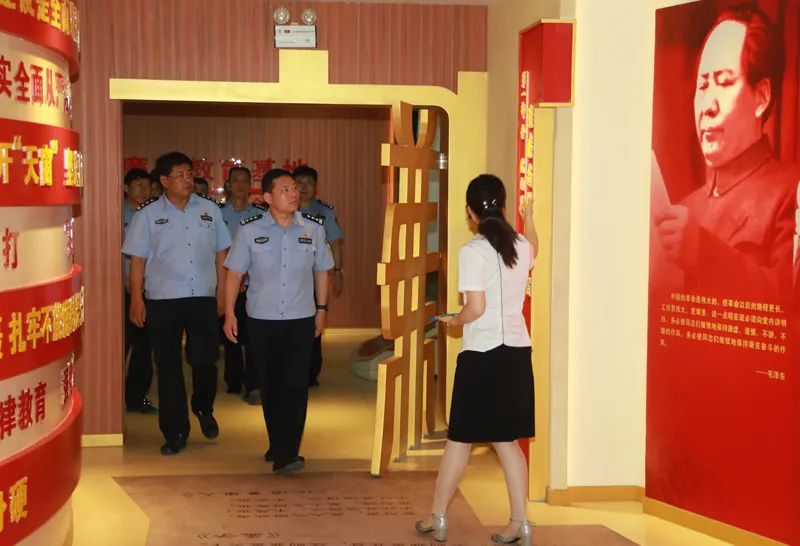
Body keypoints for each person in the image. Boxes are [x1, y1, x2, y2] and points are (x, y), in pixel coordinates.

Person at [415, 174, 536, 545]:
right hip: (516, 353)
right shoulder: (521, 246)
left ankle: (438, 517)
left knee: (459, 439)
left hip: (482, 355)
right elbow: (534, 245)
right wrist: (530, 215)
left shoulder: (472, 251)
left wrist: (455, 319)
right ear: (502, 205)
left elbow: (476, 308)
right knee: (507, 441)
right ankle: (521, 522)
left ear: (470, 212)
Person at [654, 5, 797, 300]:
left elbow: (788, 306)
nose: (707, 106)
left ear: (762, 97)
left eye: (724, 82)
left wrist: (704, 252)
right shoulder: (684, 210)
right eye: (703, 85)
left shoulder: (791, 192)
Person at [223, 169, 333, 473]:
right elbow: (234, 274)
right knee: (270, 386)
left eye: (294, 188)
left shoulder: (313, 229)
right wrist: (229, 312)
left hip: (300, 319)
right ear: (268, 197)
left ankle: (288, 452)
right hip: (262, 320)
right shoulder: (248, 231)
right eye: (285, 189)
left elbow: (322, 271)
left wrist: (322, 310)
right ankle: (278, 444)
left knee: (296, 385)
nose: (294, 193)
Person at [123, 151, 231, 456]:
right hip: (163, 300)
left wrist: (223, 293)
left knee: (205, 361)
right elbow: (137, 259)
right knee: (168, 366)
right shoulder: (147, 215)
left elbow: (222, 252)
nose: (187, 180)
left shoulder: (209, 210)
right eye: (180, 175)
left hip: (202, 298)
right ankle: (176, 432)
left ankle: (203, 406)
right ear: (164, 180)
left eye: (189, 174)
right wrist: (136, 299)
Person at [294, 165, 344, 386]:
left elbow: (335, 243)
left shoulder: (325, 212)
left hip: (316, 278)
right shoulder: (284, 209)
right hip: (291, 277)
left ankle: (311, 373)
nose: (304, 187)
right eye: (300, 183)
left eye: (309, 183)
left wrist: (338, 271)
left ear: (316, 186)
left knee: (314, 325)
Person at [219, 166, 263, 404]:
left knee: (254, 336)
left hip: (253, 286)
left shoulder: (260, 215)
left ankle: (254, 384)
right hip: (226, 285)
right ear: (228, 185)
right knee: (231, 335)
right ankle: (234, 380)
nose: (240, 185)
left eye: (245, 181)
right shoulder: (217, 214)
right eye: (236, 181)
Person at [122, 168, 157, 415]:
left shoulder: (155, 214)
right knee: (121, 344)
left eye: (147, 186)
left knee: (144, 346)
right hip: (120, 289)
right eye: (138, 185)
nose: (144, 190)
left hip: (150, 289)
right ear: (126, 188)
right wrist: (124, 280)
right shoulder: (116, 213)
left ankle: (137, 397)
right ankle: (112, 397)